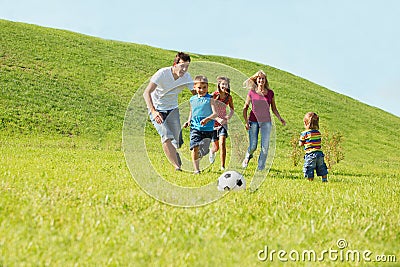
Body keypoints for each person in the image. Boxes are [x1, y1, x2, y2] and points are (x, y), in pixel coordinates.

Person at [143, 52, 194, 171]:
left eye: (187, 66)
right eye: (182, 66)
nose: (184, 69)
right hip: (157, 109)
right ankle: (177, 166)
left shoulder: (187, 77)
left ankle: (174, 152)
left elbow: (196, 96)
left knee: (178, 141)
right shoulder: (162, 73)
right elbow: (146, 93)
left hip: (173, 110)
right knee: (166, 135)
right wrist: (154, 111)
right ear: (175, 64)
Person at [242, 70, 286, 170]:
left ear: (265, 80)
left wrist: (280, 118)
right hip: (253, 121)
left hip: (266, 122)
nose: (261, 80)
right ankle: (248, 156)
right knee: (253, 145)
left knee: (265, 147)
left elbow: (274, 108)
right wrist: (246, 121)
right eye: (259, 78)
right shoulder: (252, 92)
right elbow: (245, 107)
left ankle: (260, 168)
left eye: (263, 78)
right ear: (256, 80)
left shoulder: (270, 93)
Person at [184, 75, 218, 174]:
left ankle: (201, 154)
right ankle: (196, 170)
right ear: (194, 87)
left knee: (203, 150)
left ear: (207, 87)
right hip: (195, 127)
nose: (202, 90)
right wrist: (188, 120)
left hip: (208, 129)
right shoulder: (192, 99)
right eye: (199, 87)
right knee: (195, 146)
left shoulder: (211, 99)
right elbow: (192, 111)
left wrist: (207, 119)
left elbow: (215, 113)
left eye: (204, 88)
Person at [209, 76, 235, 171]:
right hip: (213, 123)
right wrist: (216, 118)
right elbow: (209, 109)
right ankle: (212, 151)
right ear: (219, 85)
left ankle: (222, 166)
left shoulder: (229, 97)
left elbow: (232, 109)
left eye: (226, 84)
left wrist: (228, 117)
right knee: (216, 147)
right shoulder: (214, 95)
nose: (224, 86)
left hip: (223, 123)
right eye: (222, 84)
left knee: (222, 143)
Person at [299, 112, 328, 182]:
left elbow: (300, 144)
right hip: (319, 153)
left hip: (310, 154)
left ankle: (310, 181)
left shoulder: (304, 133)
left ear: (305, 123)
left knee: (309, 168)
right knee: (322, 167)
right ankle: (324, 180)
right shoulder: (318, 133)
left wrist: (303, 142)